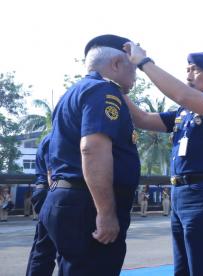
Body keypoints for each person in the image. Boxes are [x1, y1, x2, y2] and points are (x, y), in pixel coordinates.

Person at [123, 43, 203, 276]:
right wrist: (117, 89)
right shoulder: (183, 112)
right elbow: (144, 119)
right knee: (183, 270)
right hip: (180, 194)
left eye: (195, 69)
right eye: (187, 68)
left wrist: (144, 63)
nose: (188, 74)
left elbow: (183, 94)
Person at [40, 34, 141, 275]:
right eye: (134, 68)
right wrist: (106, 213)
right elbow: (92, 148)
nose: (136, 76)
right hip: (86, 205)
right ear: (116, 63)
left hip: (66, 198)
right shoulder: (103, 91)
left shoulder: (72, 93)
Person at [26, 134, 58, 276]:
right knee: (46, 246)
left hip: (43, 190)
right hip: (49, 190)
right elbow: (51, 173)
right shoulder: (56, 137)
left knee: (42, 244)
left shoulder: (48, 137)